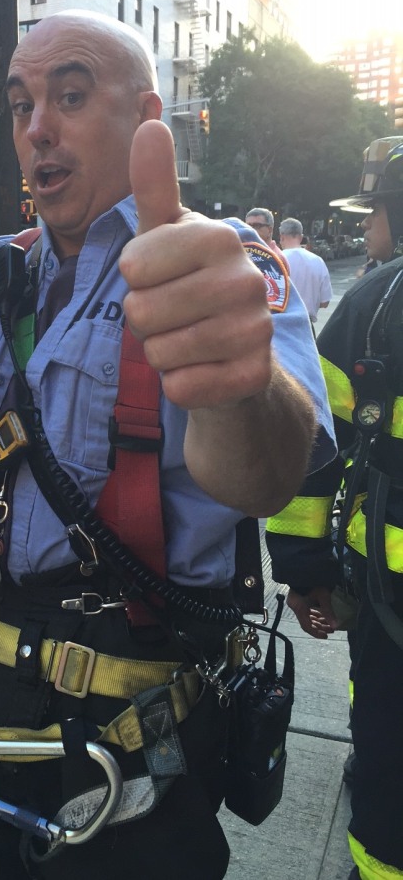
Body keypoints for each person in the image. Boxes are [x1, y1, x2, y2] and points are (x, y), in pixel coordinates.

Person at [0, 10, 336, 880]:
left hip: (132, 752)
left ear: (147, 116)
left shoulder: (224, 264)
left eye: (70, 95)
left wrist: (239, 383)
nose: (36, 125)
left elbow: (270, 475)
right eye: (20, 103)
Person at [266, 139, 403, 880]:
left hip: (390, 607)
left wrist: (305, 569)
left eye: (375, 211)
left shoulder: (377, 302)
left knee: (388, 760)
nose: (369, 227)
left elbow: (312, 442)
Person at [278, 217, 332, 324]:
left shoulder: (275, 260)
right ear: (301, 237)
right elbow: (325, 302)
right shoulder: (318, 261)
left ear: (281, 236)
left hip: (280, 324)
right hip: (306, 324)